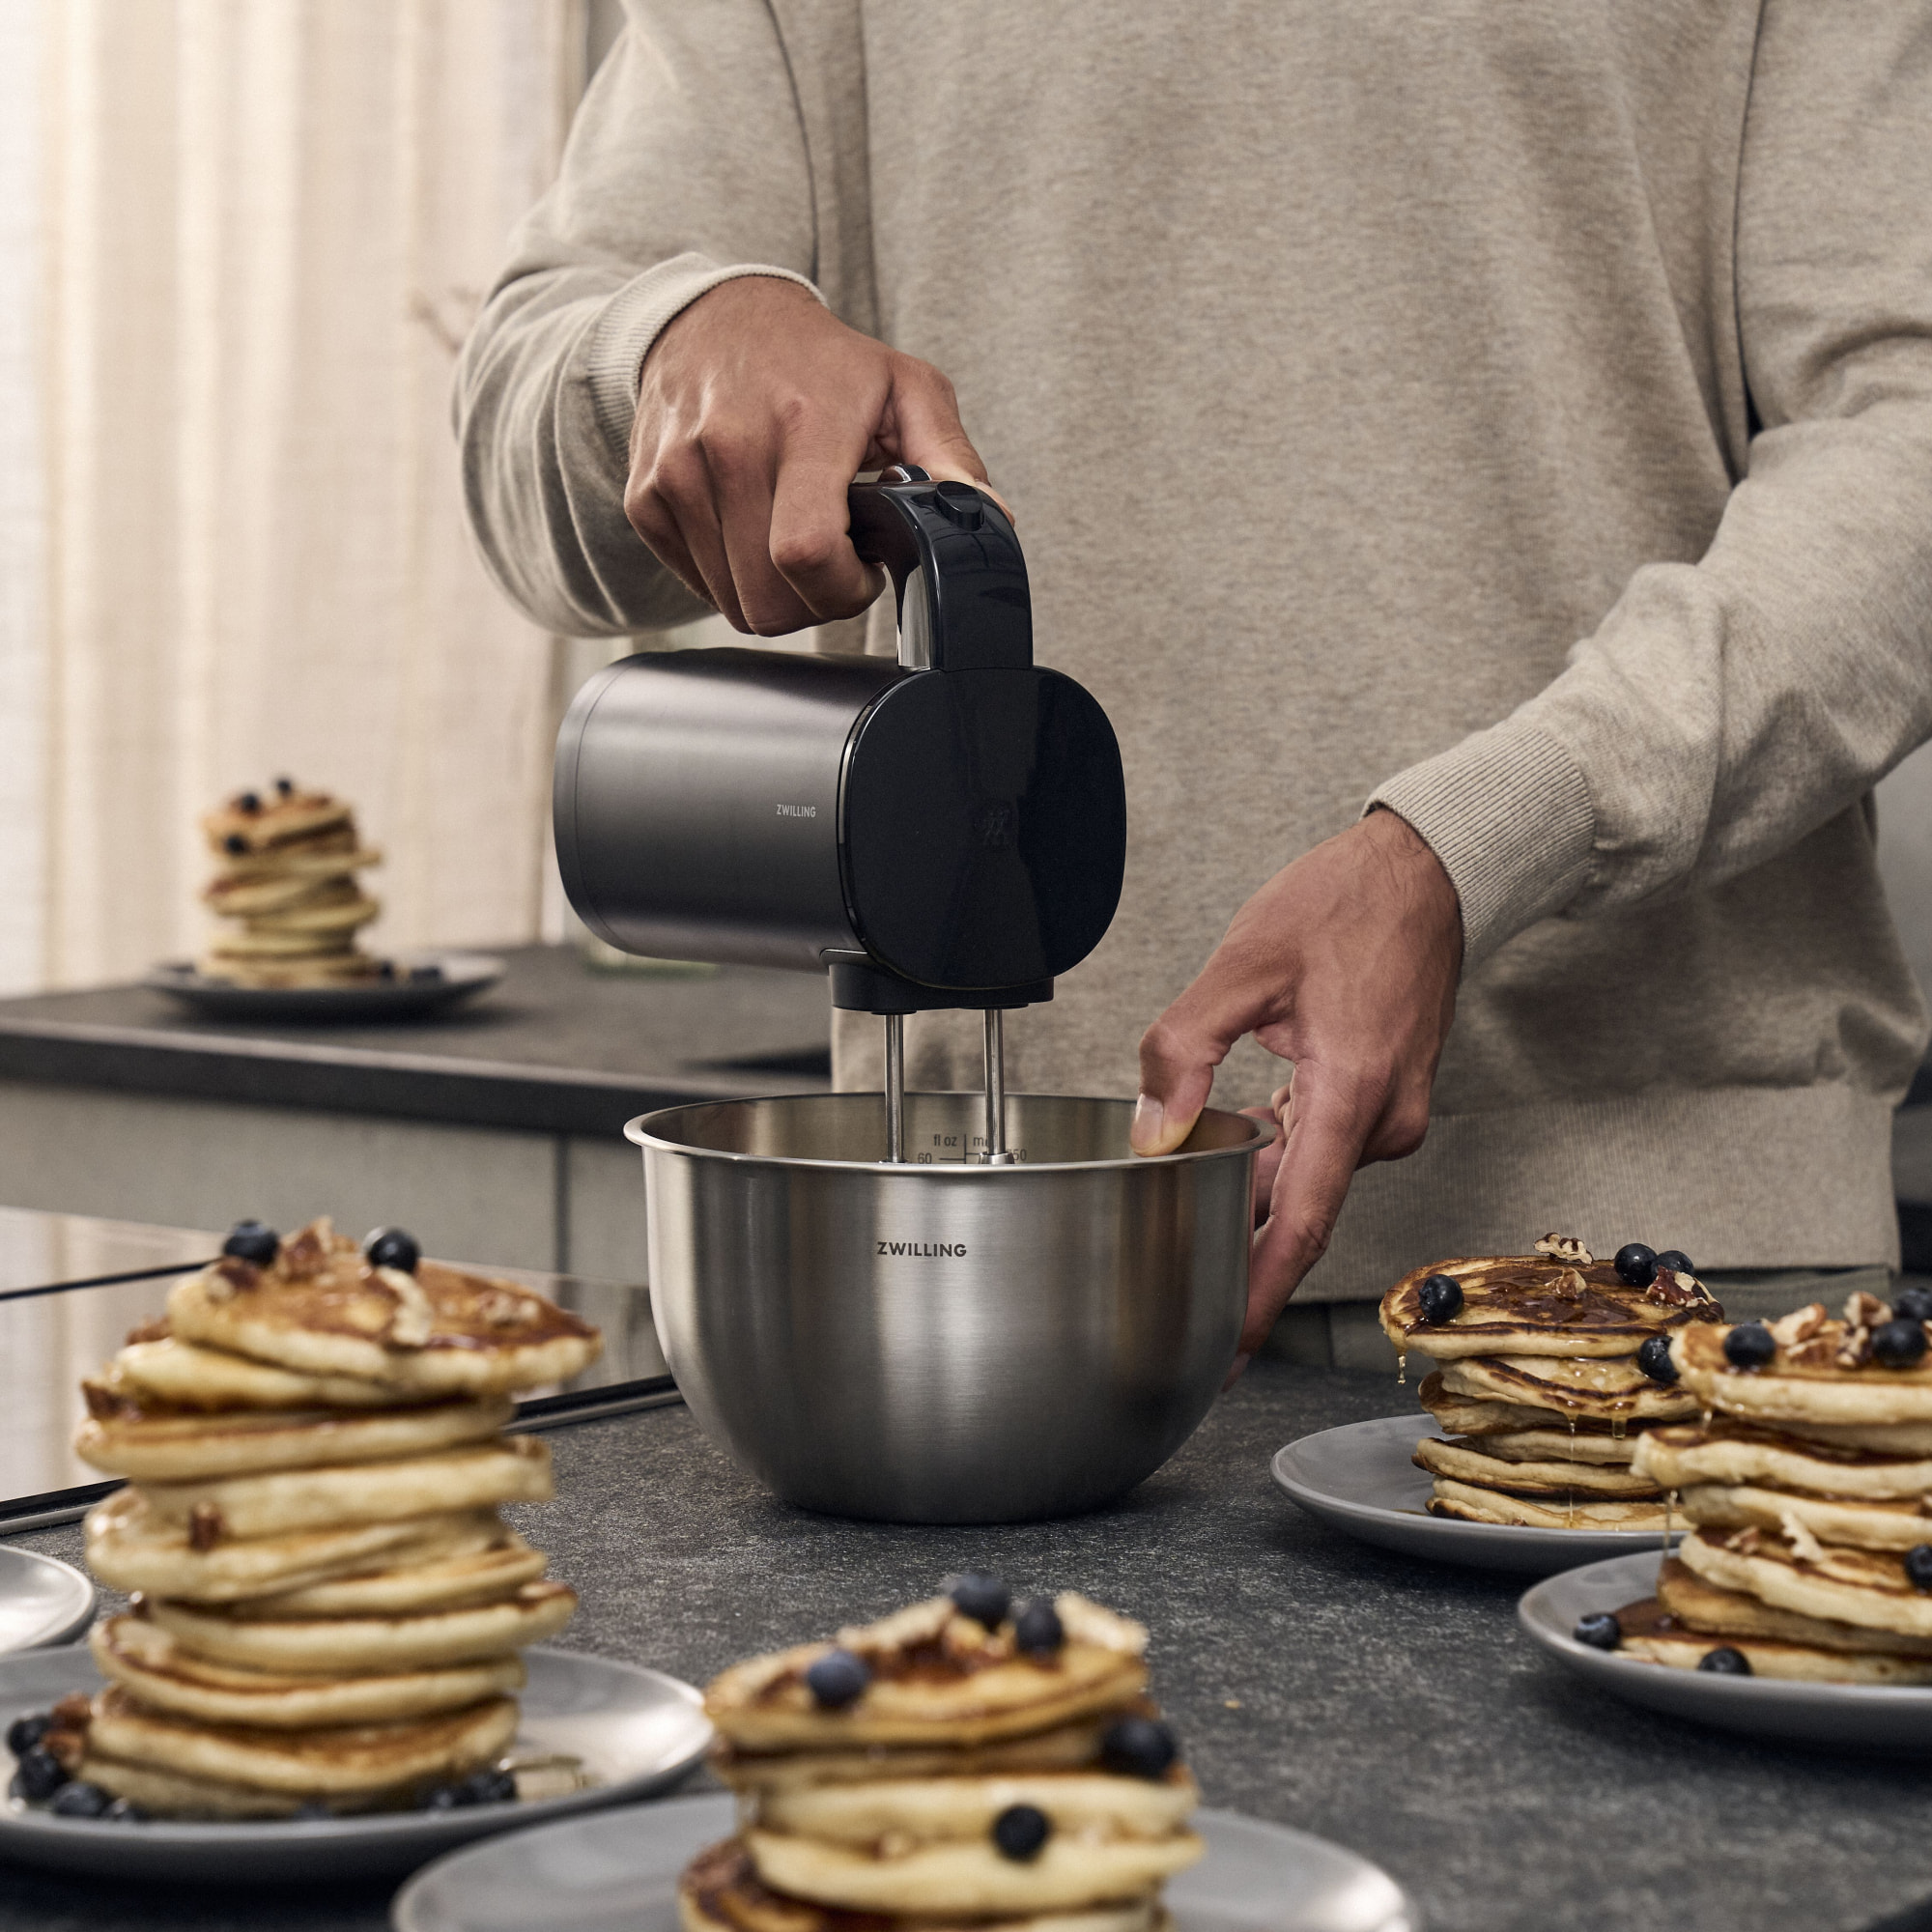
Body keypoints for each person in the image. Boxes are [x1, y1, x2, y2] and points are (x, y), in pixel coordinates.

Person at [457, 3, 1932, 1369]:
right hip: (986, 1270)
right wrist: (672, 334)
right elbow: (529, 441)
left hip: (1659, 1294)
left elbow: (1907, 441)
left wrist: (1490, 833)